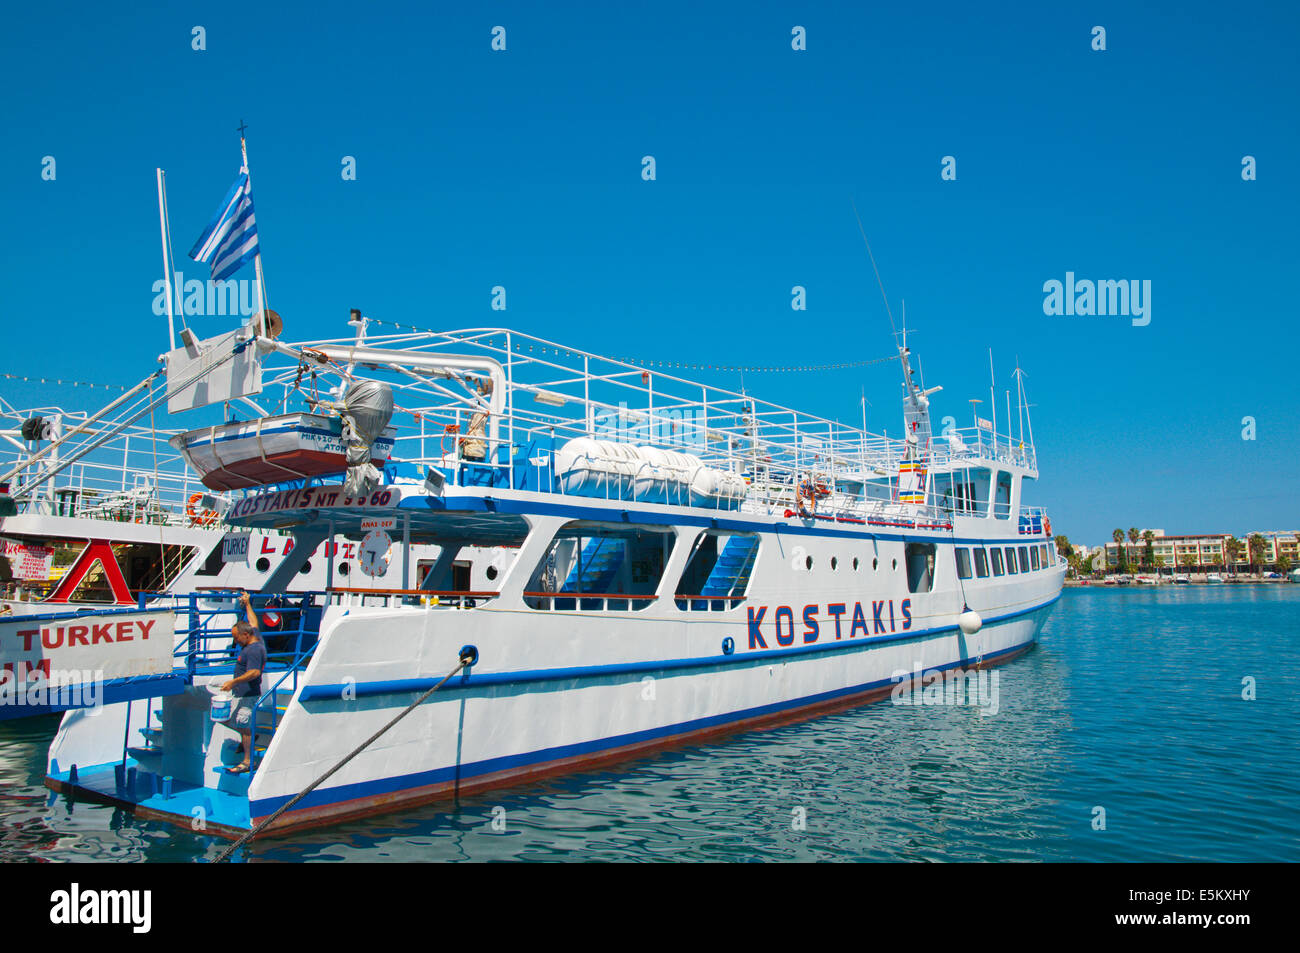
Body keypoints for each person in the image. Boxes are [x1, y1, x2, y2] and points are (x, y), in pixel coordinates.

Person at [220, 592, 265, 774]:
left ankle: (247, 761)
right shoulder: (253, 637)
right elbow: (254, 622)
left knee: (244, 726)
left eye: (237, 637)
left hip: (249, 694)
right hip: (241, 692)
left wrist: (233, 681)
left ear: (245, 635)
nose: (235, 641)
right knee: (226, 718)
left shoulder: (253, 650)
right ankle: (250, 737)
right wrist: (247, 604)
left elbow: (254, 672)